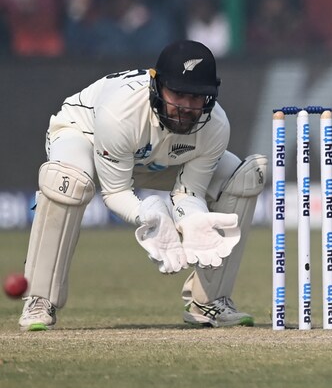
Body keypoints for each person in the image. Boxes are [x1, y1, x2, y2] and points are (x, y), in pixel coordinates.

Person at [18, 40, 268, 331]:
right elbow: (115, 192)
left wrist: (194, 220)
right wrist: (149, 215)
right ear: (156, 85)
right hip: (85, 136)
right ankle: (39, 298)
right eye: (177, 93)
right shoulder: (120, 114)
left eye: (197, 97)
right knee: (68, 182)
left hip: (156, 158)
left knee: (242, 177)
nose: (185, 107)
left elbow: (189, 192)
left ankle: (210, 301)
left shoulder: (215, 126)